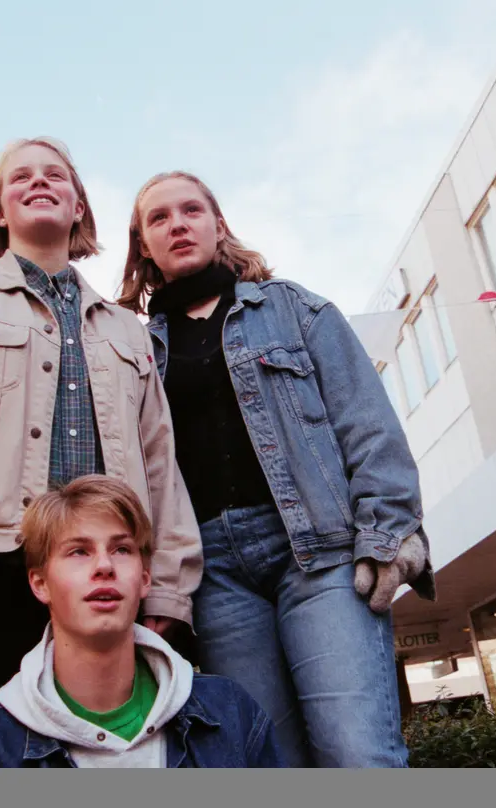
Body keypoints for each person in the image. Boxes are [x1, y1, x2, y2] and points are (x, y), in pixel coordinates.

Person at [116, 170, 437, 768]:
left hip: (319, 553)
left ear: (219, 226)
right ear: (142, 246)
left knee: (356, 753)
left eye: (191, 211)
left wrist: (389, 533)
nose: (178, 224)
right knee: (268, 763)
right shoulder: (134, 350)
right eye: (159, 218)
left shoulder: (293, 308)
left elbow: (367, 424)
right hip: (214, 578)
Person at [0, 138, 202, 726]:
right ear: (0, 212)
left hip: (112, 571)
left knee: (118, 744)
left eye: (56, 175)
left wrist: (166, 586)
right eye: (21, 177)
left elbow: (161, 462)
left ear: (79, 206)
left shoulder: (126, 330)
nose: (39, 182)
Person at [0, 475, 285, 768]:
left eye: (121, 549)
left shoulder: (231, 716)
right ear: (40, 583)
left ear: (144, 578)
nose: (105, 566)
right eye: (79, 551)